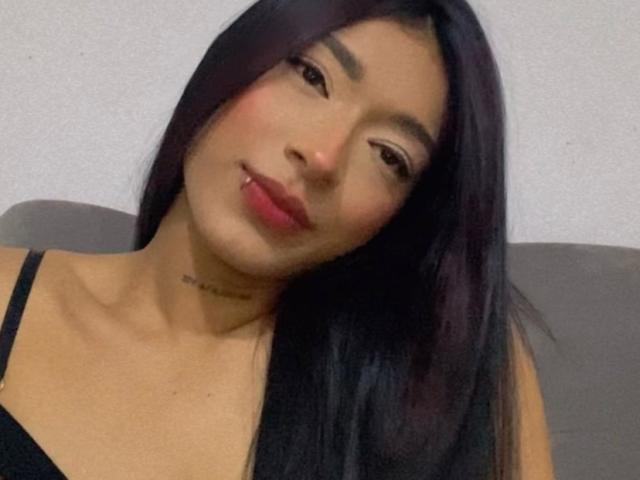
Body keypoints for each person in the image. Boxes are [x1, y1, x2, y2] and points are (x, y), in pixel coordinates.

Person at [0, 0, 556, 478]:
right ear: (238, 58)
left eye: (389, 155)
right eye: (313, 76)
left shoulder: (439, 380)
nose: (322, 156)